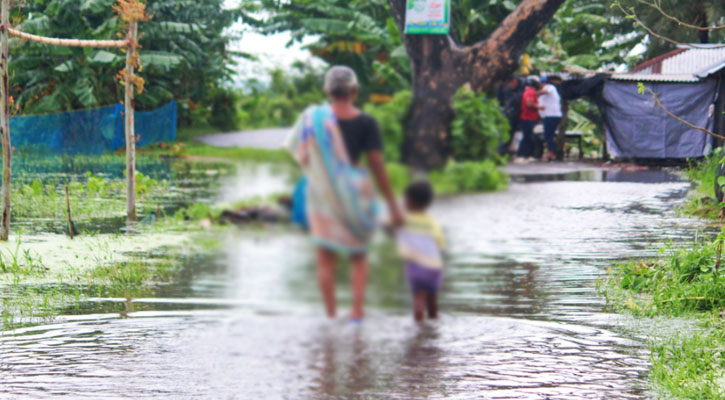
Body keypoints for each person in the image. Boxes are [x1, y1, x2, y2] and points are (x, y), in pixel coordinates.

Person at [285, 65, 403, 322]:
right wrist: (393, 205)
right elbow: (377, 166)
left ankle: (330, 316)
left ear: (327, 90)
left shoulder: (312, 119)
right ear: (354, 90)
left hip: (321, 195)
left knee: (325, 259)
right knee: (358, 256)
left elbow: (301, 155)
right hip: (355, 195)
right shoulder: (366, 122)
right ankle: (357, 313)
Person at [396, 180, 445, 322]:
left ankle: (419, 325)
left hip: (416, 267)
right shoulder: (431, 221)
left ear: (409, 201)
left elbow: (392, 228)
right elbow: (440, 243)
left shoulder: (405, 220)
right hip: (434, 267)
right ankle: (434, 320)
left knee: (419, 297)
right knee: (432, 298)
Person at [496, 76, 524, 156]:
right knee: (506, 134)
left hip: (518, 115)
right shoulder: (508, 90)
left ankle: (504, 151)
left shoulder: (521, 88)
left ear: (515, 81)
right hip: (510, 115)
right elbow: (501, 99)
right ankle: (501, 152)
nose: (509, 85)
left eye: (510, 83)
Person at [537, 75, 563, 162]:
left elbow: (545, 91)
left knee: (548, 135)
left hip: (552, 115)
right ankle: (551, 152)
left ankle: (551, 153)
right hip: (548, 116)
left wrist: (532, 93)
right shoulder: (542, 93)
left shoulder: (550, 87)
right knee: (548, 135)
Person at [517, 76, 543, 161]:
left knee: (527, 136)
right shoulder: (531, 91)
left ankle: (523, 154)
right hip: (528, 117)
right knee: (528, 137)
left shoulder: (527, 91)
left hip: (527, 117)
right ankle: (524, 155)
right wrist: (540, 107)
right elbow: (529, 104)